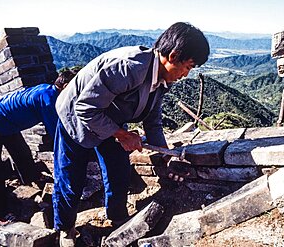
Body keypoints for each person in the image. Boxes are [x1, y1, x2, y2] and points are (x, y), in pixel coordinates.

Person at [53, 22, 210, 246]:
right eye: (189, 66)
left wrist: (166, 156)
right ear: (173, 56)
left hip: (110, 118)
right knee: (71, 179)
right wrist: (121, 135)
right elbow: (85, 108)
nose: (187, 74)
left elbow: (152, 122)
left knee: (118, 171)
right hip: (76, 118)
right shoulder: (130, 68)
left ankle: (117, 218)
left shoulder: (161, 79)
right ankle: (65, 228)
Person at [0, 69, 78, 226]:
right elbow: (57, 136)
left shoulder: (47, 90)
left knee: (22, 153)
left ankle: (31, 179)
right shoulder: (48, 99)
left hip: (8, 122)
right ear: (66, 85)